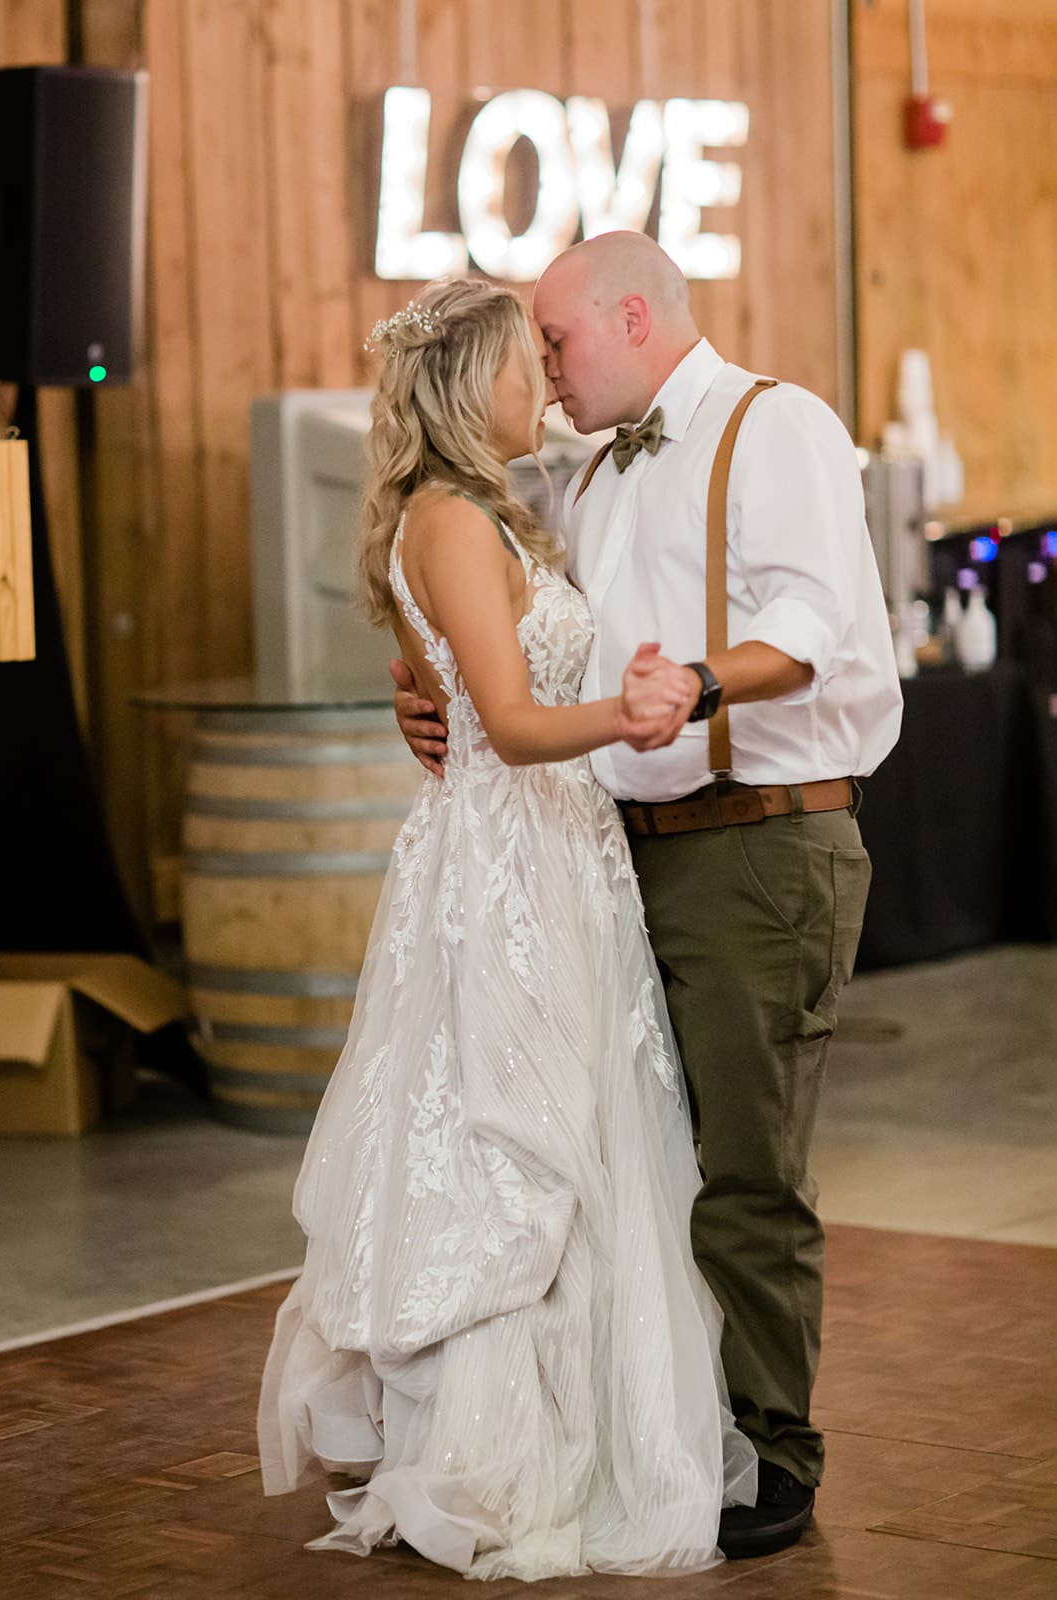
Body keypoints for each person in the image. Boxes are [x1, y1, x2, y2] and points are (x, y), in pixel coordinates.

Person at [392, 233, 904, 1561]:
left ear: (632, 315)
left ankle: (773, 1451)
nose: (549, 376)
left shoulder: (774, 425)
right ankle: (675, 1436)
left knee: (743, 1169)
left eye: (557, 343)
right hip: (615, 852)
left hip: (756, 847)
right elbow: (542, 650)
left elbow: (815, 624)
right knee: (637, 1165)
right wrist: (436, 688)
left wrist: (706, 686)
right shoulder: (590, 478)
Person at [258, 276, 758, 1582]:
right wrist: (636, 713)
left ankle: (573, 1430)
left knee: (577, 1137)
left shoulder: (489, 516)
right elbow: (516, 722)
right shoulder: (453, 522)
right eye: (518, 359)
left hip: (548, 854)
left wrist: (431, 704)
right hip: (510, 863)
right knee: (513, 1151)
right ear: (468, 383)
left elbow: (449, 695)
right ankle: (496, 1455)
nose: (538, 376)